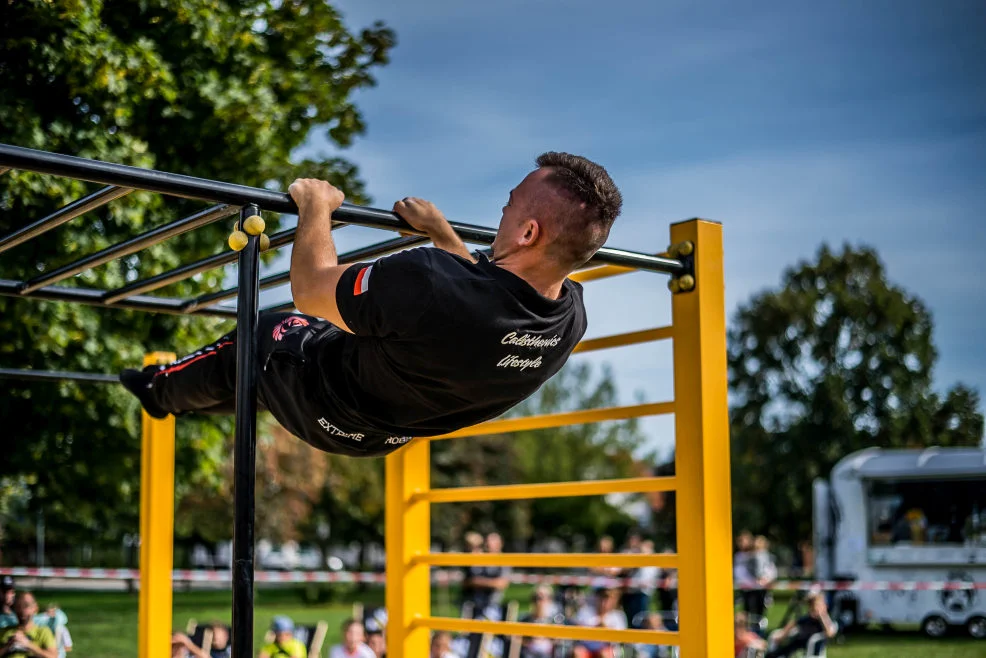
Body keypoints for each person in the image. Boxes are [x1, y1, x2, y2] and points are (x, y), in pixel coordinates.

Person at [120, 153, 623, 459]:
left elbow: (313, 289)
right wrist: (443, 233)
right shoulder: (567, 320)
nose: (503, 211)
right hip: (381, 436)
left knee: (265, 335)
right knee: (263, 377)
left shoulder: (429, 279)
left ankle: (159, 391)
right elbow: (476, 298)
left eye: (508, 206)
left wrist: (317, 208)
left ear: (529, 232)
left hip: (321, 399)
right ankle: (206, 396)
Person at [765, 593, 837, 658]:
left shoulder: (824, 620)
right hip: (797, 644)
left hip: (810, 648)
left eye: (818, 605)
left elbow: (830, 633)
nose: (816, 608)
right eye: (813, 605)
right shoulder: (806, 618)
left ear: (824, 606)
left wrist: (822, 616)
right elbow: (793, 623)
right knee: (773, 654)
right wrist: (783, 634)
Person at [572, 587, 627, 658]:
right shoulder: (584, 612)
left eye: (608, 599)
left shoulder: (618, 616)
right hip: (586, 648)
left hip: (607, 649)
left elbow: (620, 640)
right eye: (602, 597)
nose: (604, 602)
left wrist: (605, 630)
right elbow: (576, 634)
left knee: (604, 654)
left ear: (615, 600)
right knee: (578, 652)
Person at [0, 591, 57, 658]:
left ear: (35, 608)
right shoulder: (4, 632)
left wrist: (28, 645)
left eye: (26, 606)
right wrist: (8, 645)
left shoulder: (43, 632)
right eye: (18, 606)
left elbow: (53, 656)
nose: (22, 610)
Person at [518, 585, 560, 658]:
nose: (538, 602)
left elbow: (558, 642)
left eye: (541, 598)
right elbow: (518, 641)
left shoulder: (555, 620)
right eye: (535, 598)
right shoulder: (525, 619)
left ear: (549, 599)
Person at [748, 536, 777, 618]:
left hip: (763, 585)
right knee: (752, 608)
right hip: (753, 585)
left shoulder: (768, 556)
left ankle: (760, 627)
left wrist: (767, 579)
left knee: (761, 609)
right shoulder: (752, 556)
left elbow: (772, 570)